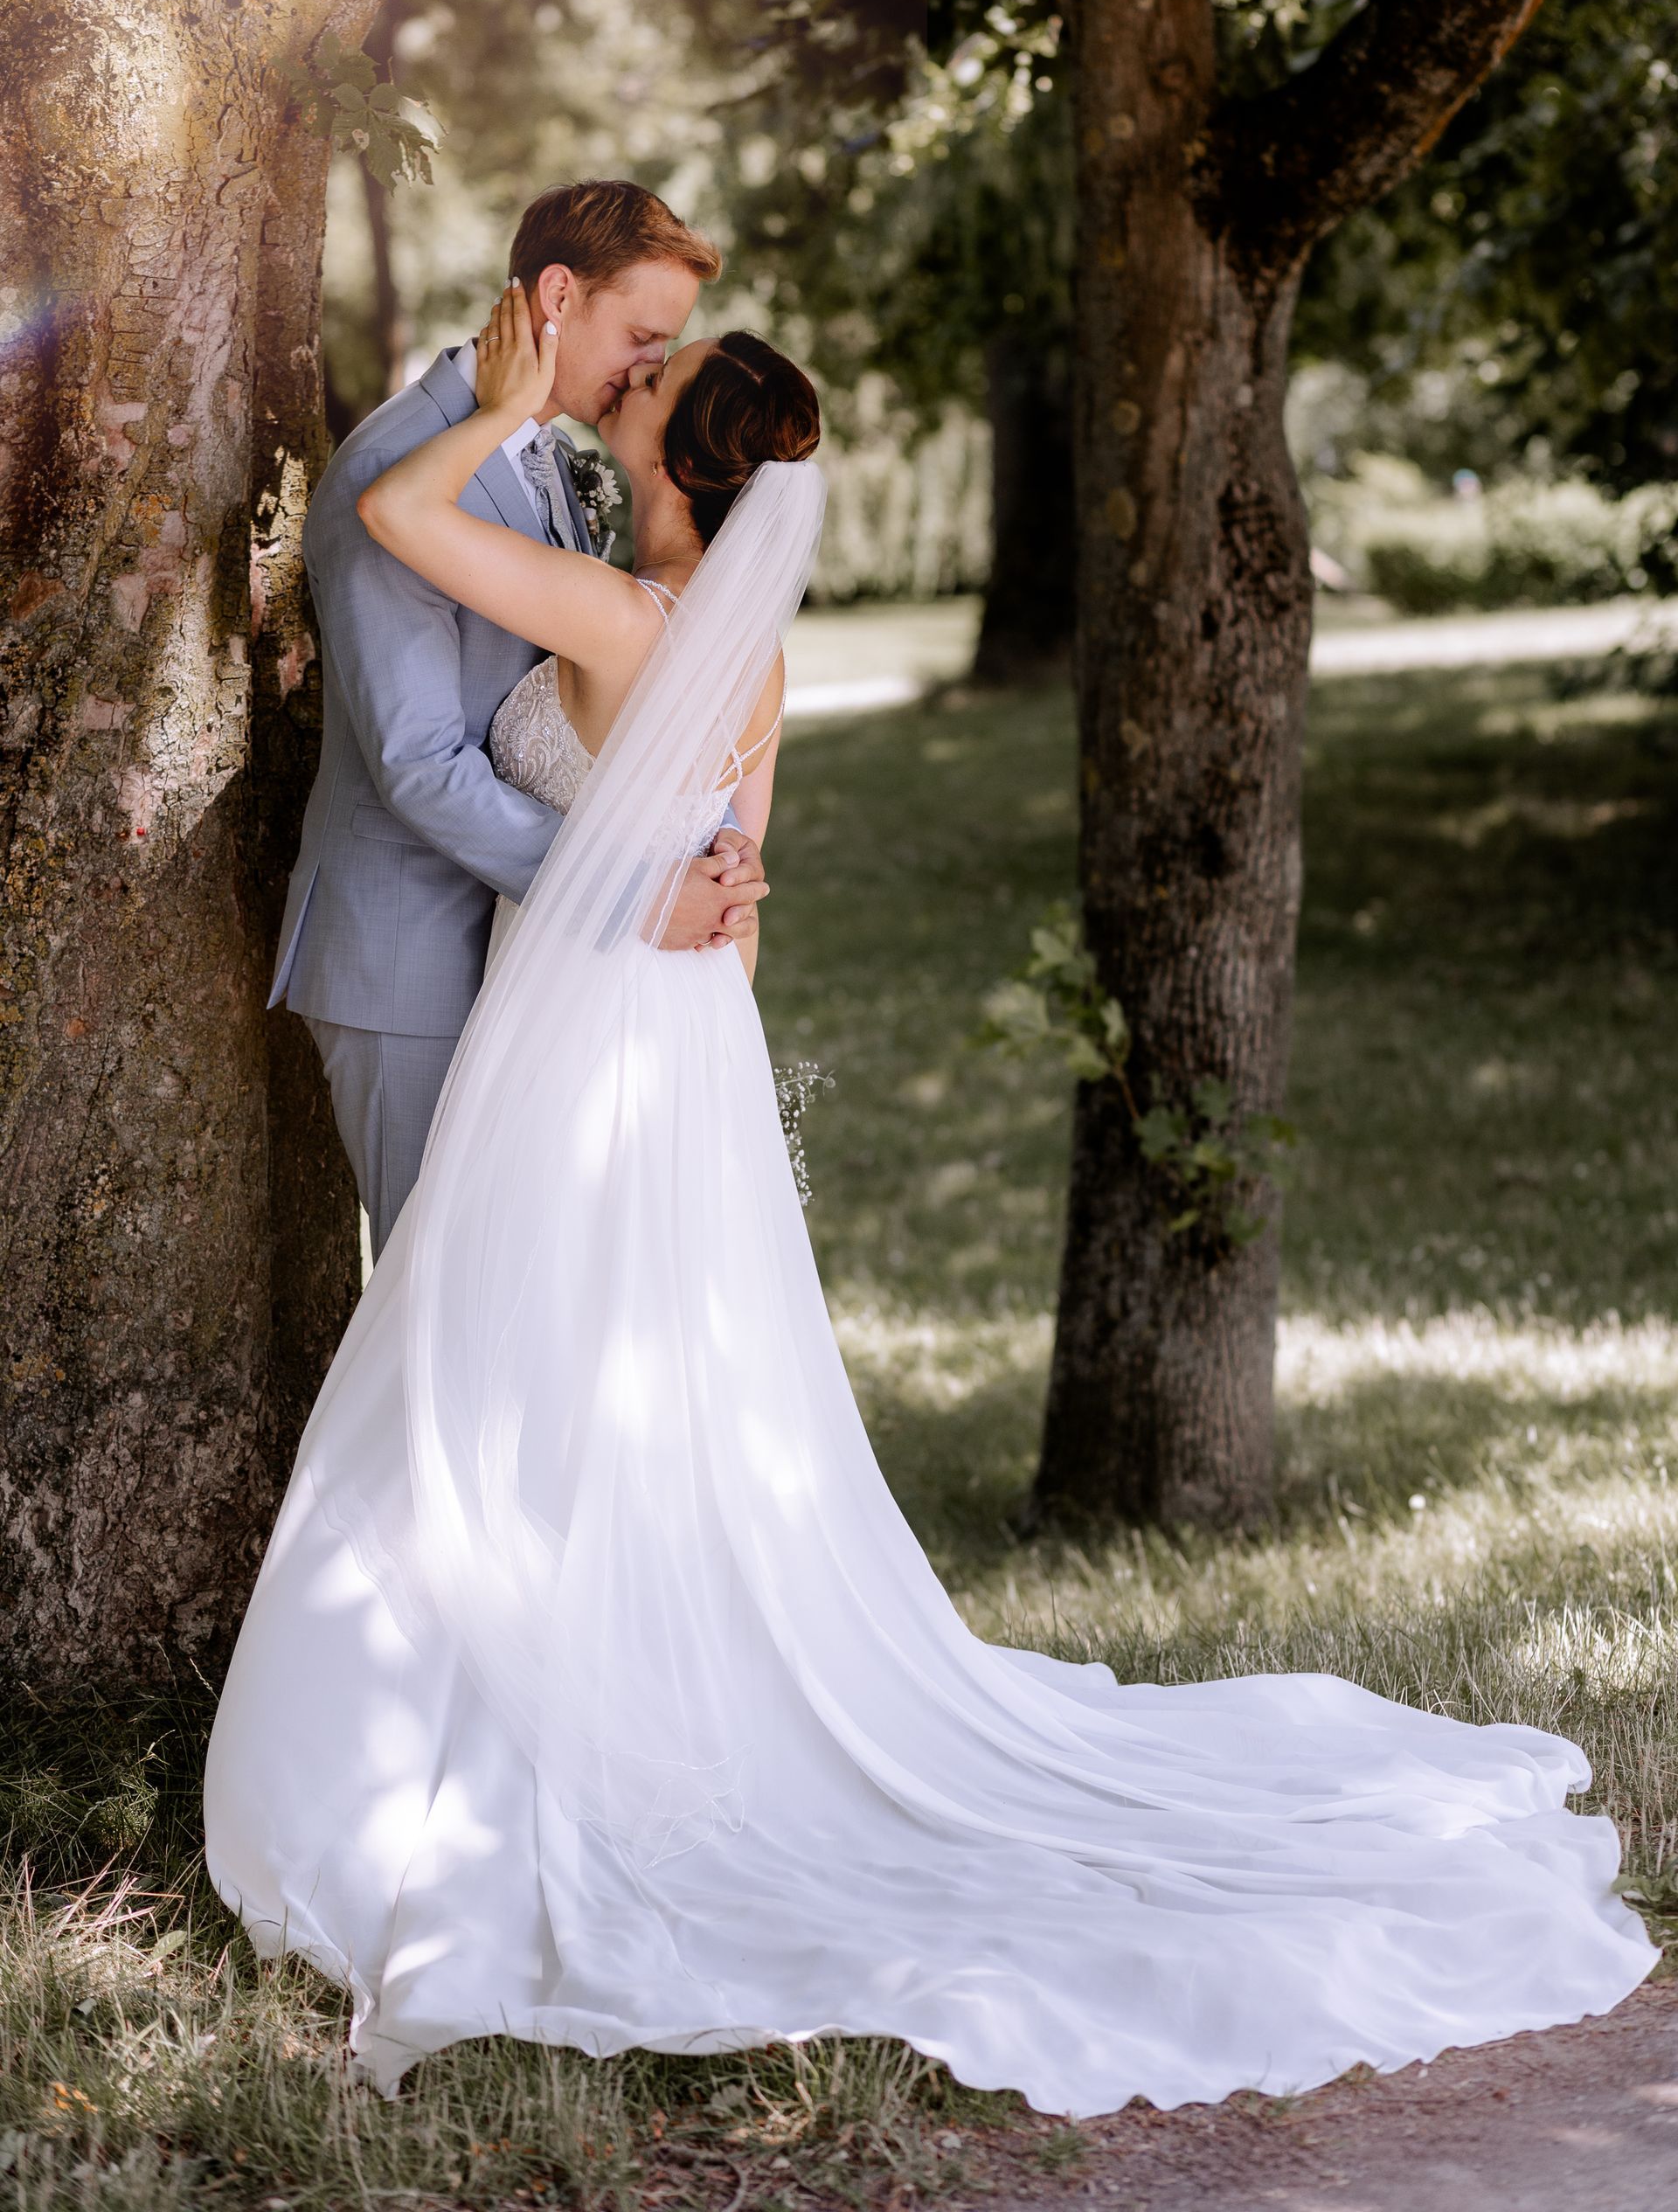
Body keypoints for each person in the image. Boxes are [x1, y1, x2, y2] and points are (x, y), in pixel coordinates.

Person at [205, 290, 1654, 2116]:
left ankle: (529, 1717)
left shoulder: (616, 616)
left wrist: (496, 408)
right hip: (685, 1048)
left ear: (673, 460)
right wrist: (699, 907)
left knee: (519, 1368)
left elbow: (402, 527)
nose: (616, 391)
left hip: (578, 1037)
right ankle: (616, 1672)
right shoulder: (753, 653)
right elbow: (748, 885)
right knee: (648, 1380)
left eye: (641, 390)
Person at [268, 178, 769, 1257]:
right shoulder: (392, 468)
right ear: (556, 294)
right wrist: (633, 893)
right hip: (408, 958)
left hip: (515, 951)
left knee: (520, 1293)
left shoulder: (537, 452)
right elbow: (417, 763)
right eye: (641, 335)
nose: (648, 370)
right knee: (438, 1297)